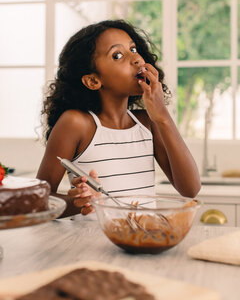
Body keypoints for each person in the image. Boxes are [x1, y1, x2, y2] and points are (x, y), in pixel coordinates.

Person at [37, 19, 201, 218]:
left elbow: (190, 189)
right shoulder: (76, 123)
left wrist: (162, 116)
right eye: (117, 55)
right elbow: (39, 201)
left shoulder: (148, 122)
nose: (136, 59)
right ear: (93, 80)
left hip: (142, 240)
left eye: (133, 49)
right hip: (89, 245)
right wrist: (79, 201)